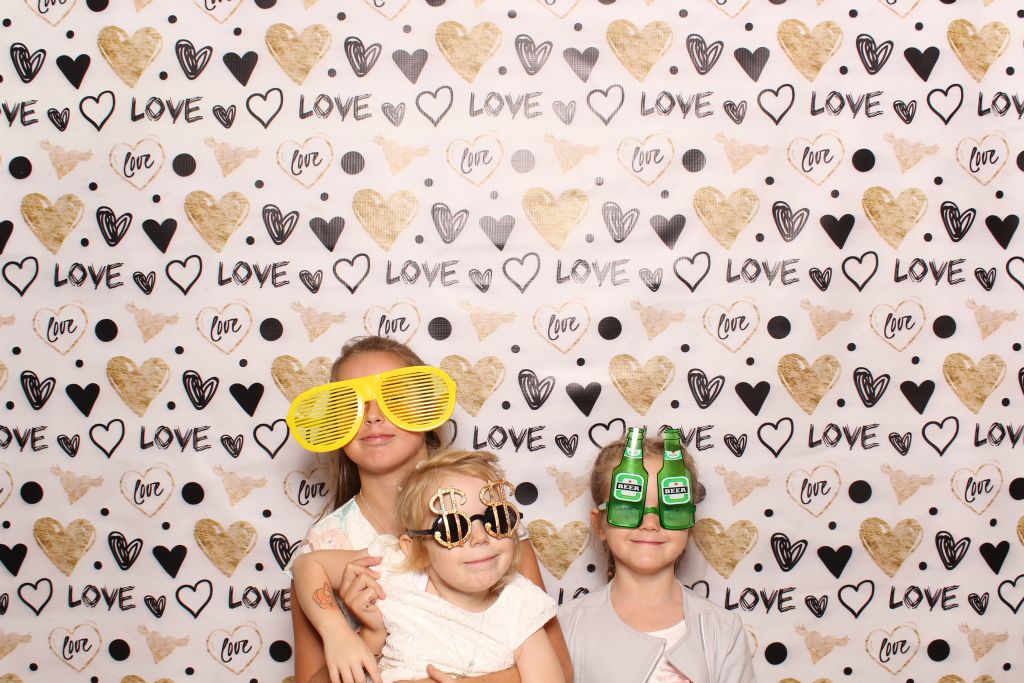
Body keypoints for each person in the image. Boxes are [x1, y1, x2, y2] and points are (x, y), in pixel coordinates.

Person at [286, 335, 571, 683]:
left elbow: (559, 667)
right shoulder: (325, 545)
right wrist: (353, 636)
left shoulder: (491, 523)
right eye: (352, 407)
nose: (373, 417)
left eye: (395, 398)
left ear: (426, 406)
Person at [292, 449, 562, 683]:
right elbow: (308, 565)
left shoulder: (521, 606)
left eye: (497, 519)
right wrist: (337, 633)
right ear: (414, 549)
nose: (481, 537)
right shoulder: (397, 569)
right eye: (454, 528)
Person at [558, 435, 756, 683]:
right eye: (629, 507)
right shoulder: (565, 627)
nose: (650, 523)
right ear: (599, 524)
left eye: (670, 508)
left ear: (689, 524)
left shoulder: (724, 630)